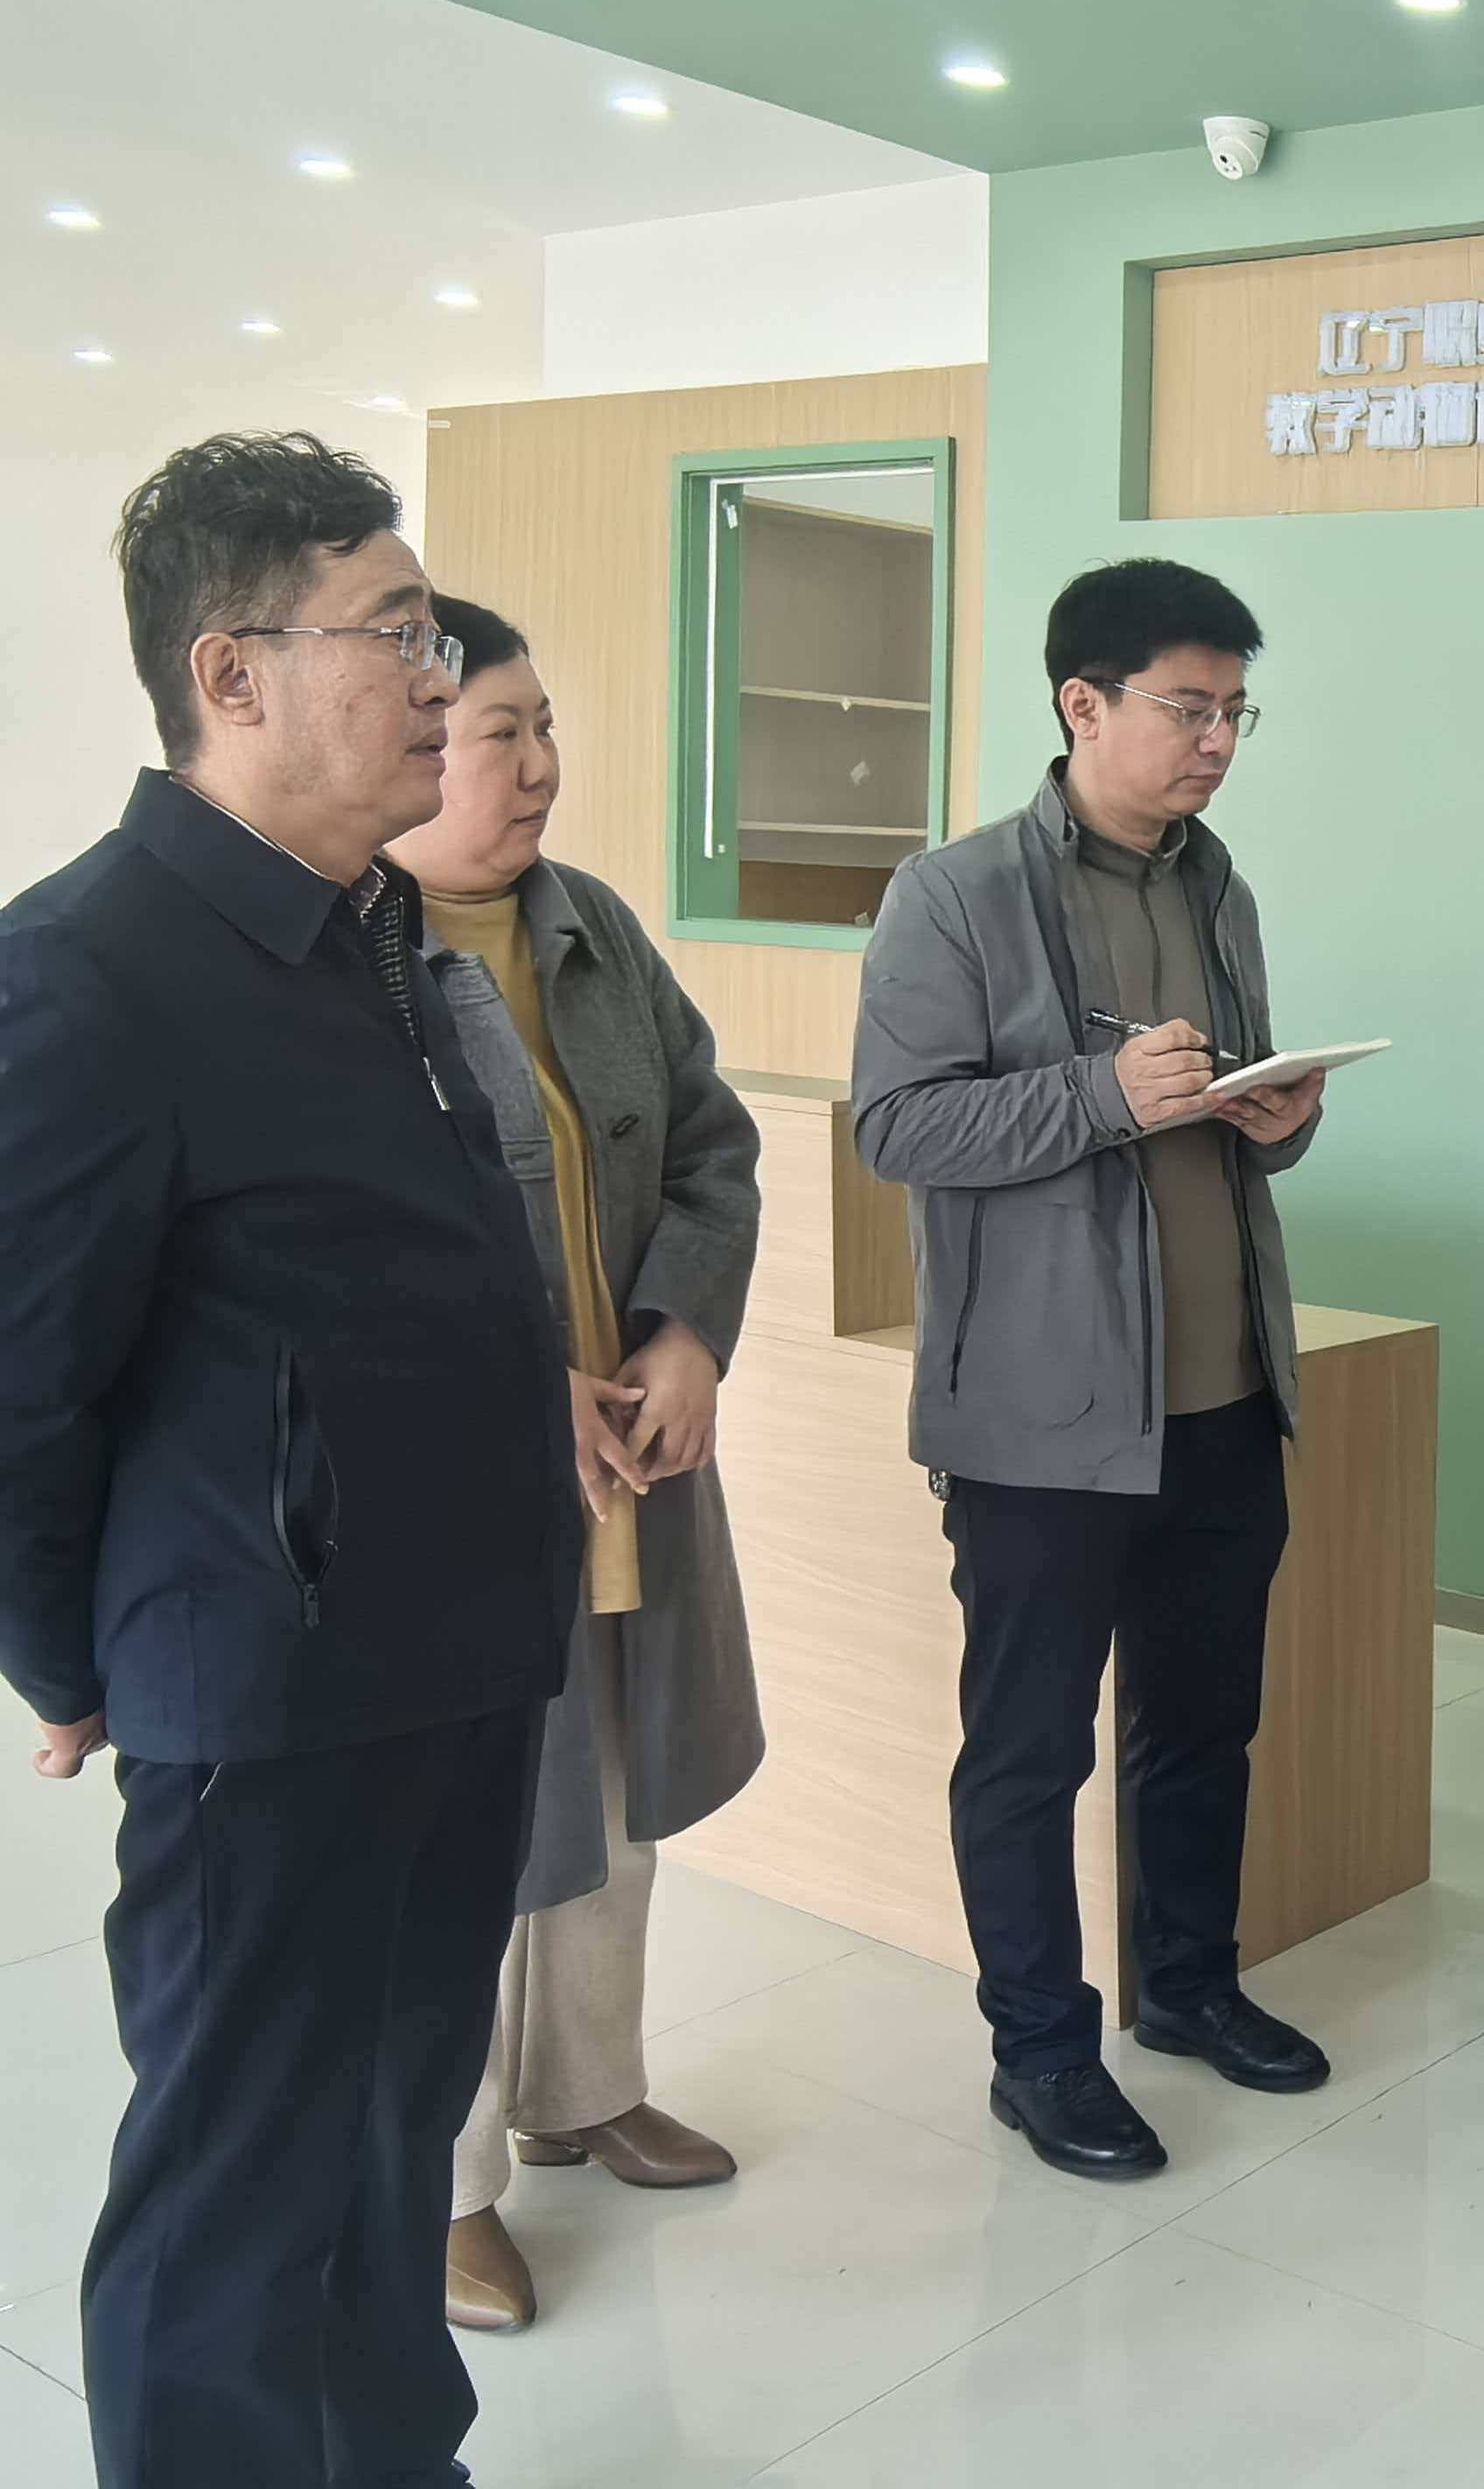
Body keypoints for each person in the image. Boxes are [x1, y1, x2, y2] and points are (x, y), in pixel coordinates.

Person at [0, 437, 578, 2488]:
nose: (436, 678)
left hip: (453, 1656)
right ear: (231, 674)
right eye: (392, 635)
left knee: (389, 2146)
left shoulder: (368, 935)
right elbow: (19, 1386)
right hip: (268, 1691)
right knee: (237, 2197)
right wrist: (75, 1660)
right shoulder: (85, 970)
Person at [852, 557, 1329, 2184]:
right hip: (1042, 1421)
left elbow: (1223, 1123)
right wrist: (1103, 1095)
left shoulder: (1219, 889)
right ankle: (1042, 2053)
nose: (1218, 742)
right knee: (1029, 1752)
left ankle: (1187, 1988)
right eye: (1189, 709)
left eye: (1235, 712)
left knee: (1202, 1725)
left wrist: (1278, 1115)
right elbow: (898, 1126)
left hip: (1223, 1396)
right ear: (1082, 704)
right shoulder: (953, 895)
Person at [393, 596, 766, 2331]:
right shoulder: (345, 953)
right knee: (465, 1838)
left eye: (546, 726)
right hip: (465, 1490)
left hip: (629, 1464)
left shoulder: (592, 927)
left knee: (613, 1808)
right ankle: (444, 2182)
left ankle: (582, 2092)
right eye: (501, 733)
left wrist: (685, 1333)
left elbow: (711, 1146)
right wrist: (501, 1380)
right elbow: (353, 1244)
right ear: (413, 741)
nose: (539, 764)